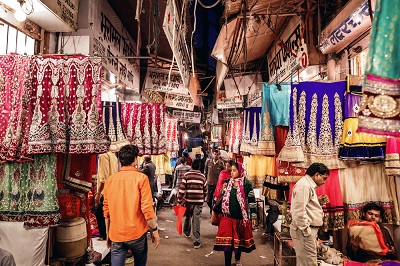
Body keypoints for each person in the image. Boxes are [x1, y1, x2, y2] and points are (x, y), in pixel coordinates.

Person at [103, 145, 160, 266]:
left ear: (120, 160)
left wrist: (108, 235)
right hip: (137, 233)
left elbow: (106, 211)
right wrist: (154, 231)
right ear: (135, 159)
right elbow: (147, 208)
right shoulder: (141, 178)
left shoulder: (110, 180)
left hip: (116, 234)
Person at [213, 162, 257, 266]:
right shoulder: (228, 182)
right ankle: (227, 263)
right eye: (231, 170)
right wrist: (222, 190)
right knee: (227, 243)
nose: (231, 172)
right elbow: (222, 197)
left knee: (239, 241)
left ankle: (237, 260)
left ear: (240, 171)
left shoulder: (247, 184)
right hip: (227, 217)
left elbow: (251, 201)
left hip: (240, 218)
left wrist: (254, 216)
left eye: (234, 170)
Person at [290, 162, 330, 266]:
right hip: (304, 231)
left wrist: (318, 201)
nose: (324, 182)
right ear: (316, 175)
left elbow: (305, 206)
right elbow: (298, 212)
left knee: (306, 261)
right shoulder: (304, 186)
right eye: (324, 178)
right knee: (308, 262)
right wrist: (306, 231)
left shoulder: (307, 185)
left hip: (306, 231)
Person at [177, 159, 207, 249]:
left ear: (192, 166)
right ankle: (196, 241)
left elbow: (182, 189)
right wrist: (202, 197)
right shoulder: (202, 176)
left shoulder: (187, 175)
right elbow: (205, 190)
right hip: (198, 201)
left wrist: (179, 199)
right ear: (199, 167)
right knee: (196, 219)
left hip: (189, 201)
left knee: (188, 216)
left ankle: (186, 231)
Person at [94, 151, 119, 241]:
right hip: (113, 189)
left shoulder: (103, 156)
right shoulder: (113, 156)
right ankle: (108, 235)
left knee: (100, 213)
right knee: (108, 214)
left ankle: (104, 236)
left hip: (105, 191)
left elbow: (104, 179)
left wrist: (98, 194)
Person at [204, 149, 225, 213]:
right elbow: (205, 172)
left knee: (215, 199)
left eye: (217, 154)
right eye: (215, 154)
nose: (216, 156)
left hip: (217, 185)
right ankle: (212, 208)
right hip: (210, 183)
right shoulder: (208, 162)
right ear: (213, 154)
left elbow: (223, 173)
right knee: (208, 200)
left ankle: (213, 212)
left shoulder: (221, 163)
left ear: (219, 155)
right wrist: (205, 181)